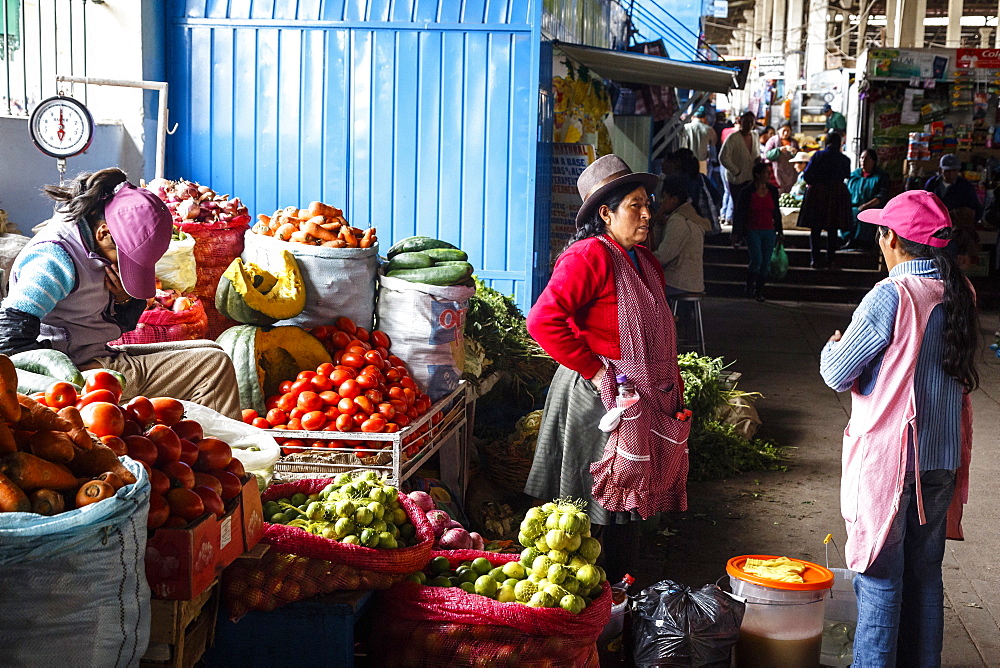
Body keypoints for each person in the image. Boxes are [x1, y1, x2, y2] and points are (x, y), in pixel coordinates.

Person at [819, 190, 977, 666]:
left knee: (880, 577)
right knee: (925, 576)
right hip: (943, 458)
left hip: (893, 463)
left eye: (879, 231)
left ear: (889, 237)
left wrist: (835, 344)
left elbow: (836, 373)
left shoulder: (892, 294)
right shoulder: (961, 291)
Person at [524, 155, 688, 583]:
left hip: (636, 398)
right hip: (594, 399)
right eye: (635, 205)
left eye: (648, 203)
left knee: (628, 505)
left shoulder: (645, 261)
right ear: (605, 213)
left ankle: (620, 595)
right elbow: (542, 320)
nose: (648, 213)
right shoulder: (588, 256)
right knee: (589, 510)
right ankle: (582, 604)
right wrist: (596, 371)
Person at [0, 168, 242, 418]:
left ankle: (193, 444)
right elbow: (9, 336)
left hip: (95, 353)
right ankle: (223, 452)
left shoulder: (93, 241)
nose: (125, 269)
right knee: (213, 367)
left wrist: (124, 301)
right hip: (75, 373)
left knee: (212, 350)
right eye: (125, 259)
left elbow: (120, 326)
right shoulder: (53, 259)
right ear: (103, 233)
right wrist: (67, 375)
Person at [799, 132, 852, 269]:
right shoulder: (844, 159)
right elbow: (846, 175)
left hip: (818, 194)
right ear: (839, 143)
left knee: (815, 228)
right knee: (832, 228)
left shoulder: (817, 156)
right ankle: (831, 259)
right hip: (836, 195)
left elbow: (807, 176)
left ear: (826, 142)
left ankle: (815, 259)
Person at [650, 176, 710, 296]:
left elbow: (664, 256)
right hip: (694, 282)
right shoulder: (691, 216)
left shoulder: (678, 220)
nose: (661, 201)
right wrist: (659, 224)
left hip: (678, 282)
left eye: (664, 197)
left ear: (674, 199)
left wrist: (641, 258)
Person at [732, 163, 783, 301]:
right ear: (757, 174)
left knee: (766, 262)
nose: (768, 175)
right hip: (752, 229)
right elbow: (739, 213)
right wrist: (736, 232)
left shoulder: (772, 191)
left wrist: (780, 231)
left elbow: (776, 212)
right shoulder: (747, 191)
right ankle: (749, 288)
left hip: (769, 231)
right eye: (766, 172)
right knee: (757, 259)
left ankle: (759, 291)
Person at [843, 148, 890, 251]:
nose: (863, 161)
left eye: (867, 159)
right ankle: (849, 240)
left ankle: (862, 243)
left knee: (861, 215)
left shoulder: (881, 176)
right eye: (862, 158)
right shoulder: (854, 175)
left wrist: (865, 206)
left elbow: (880, 197)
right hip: (853, 206)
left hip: (871, 207)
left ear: (873, 161)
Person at [719, 111, 761, 224]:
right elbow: (723, 157)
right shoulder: (733, 137)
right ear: (740, 121)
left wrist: (758, 160)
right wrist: (736, 171)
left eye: (751, 122)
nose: (748, 124)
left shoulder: (755, 136)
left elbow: (756, 153)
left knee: (749, 209)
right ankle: (737, 236)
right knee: (738, 209)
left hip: (751, 178)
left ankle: (746, 235)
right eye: (746, 121)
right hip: (737, 180)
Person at [763, 122, 801, 193]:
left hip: (791, 173)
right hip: (777, 172)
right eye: (784, 131)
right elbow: (767, 155)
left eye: (788, 131)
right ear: (778, 130)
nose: (786, 133)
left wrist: (795, 153)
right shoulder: (773, 140)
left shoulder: (794, 142)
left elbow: (799, 158)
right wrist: (778, 150)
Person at [680, 106, 718, 175]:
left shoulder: (685, 127)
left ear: (692, 117)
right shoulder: (709, 129)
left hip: (687, 161)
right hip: (702, 162)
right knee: (702, 182)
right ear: (704, 118)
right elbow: (713, 148)